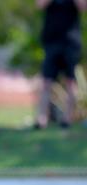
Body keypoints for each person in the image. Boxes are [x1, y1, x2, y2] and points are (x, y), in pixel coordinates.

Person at [34, 0, 87, 129]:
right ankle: (42, 118)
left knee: (70, 81)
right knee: (46, 81)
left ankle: (67, 118)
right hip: (51, 41)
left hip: (71, 41)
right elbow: (40, 5)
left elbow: (83, 7)